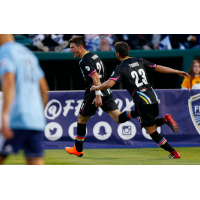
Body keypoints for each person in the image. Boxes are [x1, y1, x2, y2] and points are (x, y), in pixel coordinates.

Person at [91, 41, 190, 159]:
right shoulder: (140, 61)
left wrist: (96, 87)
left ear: (117, 54)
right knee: (144, 122)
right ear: (128, 51)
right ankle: (164, 120)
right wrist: (177, 71)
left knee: (151, 130)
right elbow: (158, 67)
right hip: (153, 97)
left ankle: (174, 153)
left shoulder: (121, 67)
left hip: (142, 101)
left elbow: (109, 84)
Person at [65, 36, 121, 157]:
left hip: (94, 93)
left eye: (72, 47)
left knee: (81, 120)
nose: (71, 50)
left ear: (80, 47)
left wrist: (97, 95)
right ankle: (140, 114)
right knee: (119, 118)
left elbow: (95, 76)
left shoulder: (84, 61)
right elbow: (103, 74)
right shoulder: (95, 55)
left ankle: (78, 150)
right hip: (105, 89)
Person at [0, 34, 49, 165]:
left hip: (17, 118)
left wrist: (4, 115)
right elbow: (44, 89)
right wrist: (38, 113)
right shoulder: (28, 53)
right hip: (35, 121)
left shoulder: (5, 51)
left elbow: (9, 81)